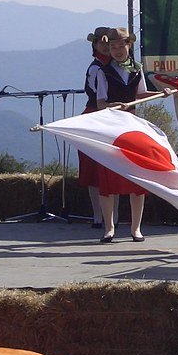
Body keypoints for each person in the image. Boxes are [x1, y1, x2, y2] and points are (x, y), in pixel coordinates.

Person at [94, 27, 169, 243]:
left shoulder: (137, 69)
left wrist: (160, 93)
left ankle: (136, 228)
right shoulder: (103, 72)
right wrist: (114, 105)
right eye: (113, 47)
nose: (117, 51)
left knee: (137, 177)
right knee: (108, 178)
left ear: (129, 46)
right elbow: (100, 104)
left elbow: (140, 94)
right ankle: (109, 228)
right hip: (110, 127)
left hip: (131, 126)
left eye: (121, 46)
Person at [80, 26, 112, 228]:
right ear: (95, 45)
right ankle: (97, 216)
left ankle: (113, 217)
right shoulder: (95, 69)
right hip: (95, 116)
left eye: (110, 44)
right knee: (93, 169)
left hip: (113, 116)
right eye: (102, 43)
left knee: (112, 168)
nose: (106, 46)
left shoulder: (120, 67)